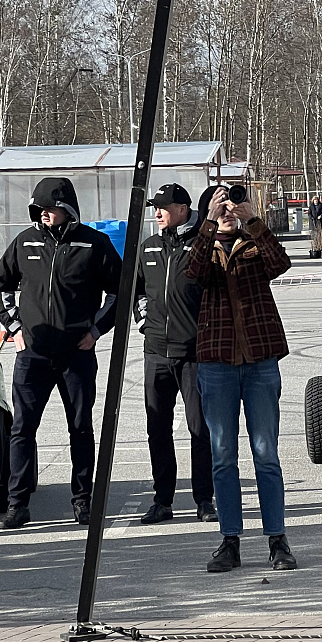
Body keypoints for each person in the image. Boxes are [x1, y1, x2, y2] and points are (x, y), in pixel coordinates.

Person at [0, 176, 122, 531]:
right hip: (32, 354)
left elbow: (120, 292)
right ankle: (17, 504)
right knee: (22, 429)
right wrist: (15, 328)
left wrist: (96, 331)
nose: (43, 215)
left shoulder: (95, 244)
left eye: (49, 208)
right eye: (38, 209)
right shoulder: (24, 242)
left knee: (80, 427)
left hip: (76, 355)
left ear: (67, 209)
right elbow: (0, 283)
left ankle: (83, 501)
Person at [187, 186, 295, 574]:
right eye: (222, 206)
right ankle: (229, 540)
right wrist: (209, 224)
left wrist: (251, 219)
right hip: (217, 360)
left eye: (232, 205)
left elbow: (280, 264)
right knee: (223, 456)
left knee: (266, 453)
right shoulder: (202, 245)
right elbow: (192, 274)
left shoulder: (254, 241)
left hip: (260, 358)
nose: (228, 211)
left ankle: (277, 539)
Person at [135, 183, 215, 525]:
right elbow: (138, 291)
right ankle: (163, 500)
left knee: (200, 430)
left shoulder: (202, 245)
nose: (156, 213)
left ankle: (204, 500)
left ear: (182, 209)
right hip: (155, 353)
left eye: (163, 207)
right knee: (158, 429)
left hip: (194, 355)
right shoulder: (149, 247)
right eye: (155, 207)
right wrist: (145, 323)